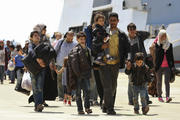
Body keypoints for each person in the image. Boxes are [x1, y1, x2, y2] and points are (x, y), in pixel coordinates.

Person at [92, 12, 129, 115]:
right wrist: (101, 47)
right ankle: (110, 108)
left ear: (118, 21)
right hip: (104, 63)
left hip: (116, 63)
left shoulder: (121, 34)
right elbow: (94, 47)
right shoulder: (102, 32)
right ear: (108, 21)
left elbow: (127, 49)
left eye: (114, 20)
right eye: (111, 20)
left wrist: (127, 59)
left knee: (113, 86)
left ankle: (105, 104)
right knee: (108, 86)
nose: (113, 22)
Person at [126, 23, 152, 105]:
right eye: (130, 30)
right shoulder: (126, 40)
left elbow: (148, 34)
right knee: (131, 81)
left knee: (143, 80)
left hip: (141, 61)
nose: (132, 31)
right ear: (128, 30)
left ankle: (146, 99)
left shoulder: (139, 37)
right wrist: (126, 61)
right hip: (131, 62)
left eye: (133, 29)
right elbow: (124, 51)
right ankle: (131, 100)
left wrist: (138, 32)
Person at [68, 31, 92, 114]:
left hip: (86, 74)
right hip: (78, 75)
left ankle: (87, 107)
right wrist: (78, 74)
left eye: (84, 39)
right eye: (81, 39)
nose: (82, 40)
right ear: (77, 40)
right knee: (78, 93)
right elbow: (74, 64)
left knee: (88, 91)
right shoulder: (75, 50)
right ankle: (80, 109)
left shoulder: (87, 49)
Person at [54, 31, 77, 101]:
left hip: (71, 65)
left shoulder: (75, 44)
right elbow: (55, 51)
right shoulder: (60, 42)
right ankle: (61, 96)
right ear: (66, 35)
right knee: (60, 80)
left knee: (71, 80)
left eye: (72, 35)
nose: (70, 37)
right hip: (60, 64)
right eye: (69, 35)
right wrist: (53, 62)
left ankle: (72, 95)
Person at [154, 29, 174, 103]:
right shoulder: (158, 45)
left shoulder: (170, 45)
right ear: (159, 36)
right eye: (162, 36)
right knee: (159, 82)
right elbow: (157, 55)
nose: (163, 37)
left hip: (167, 66)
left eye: (165, 36)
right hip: (159, 66)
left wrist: (172, 66)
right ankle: (159, 96)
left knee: (167, 82)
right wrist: (162, 46)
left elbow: (171, 56)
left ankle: (167, 97)